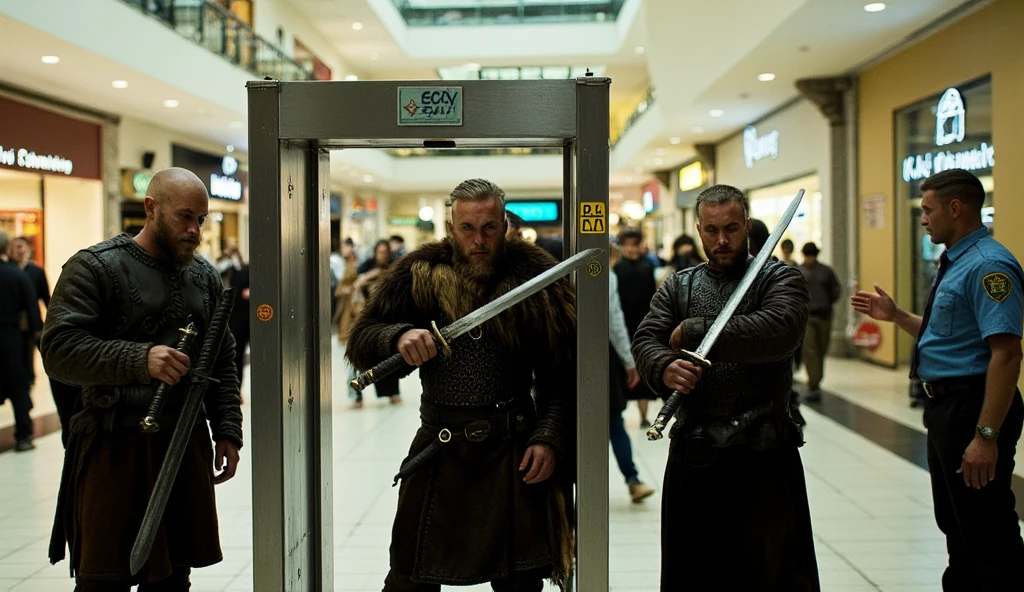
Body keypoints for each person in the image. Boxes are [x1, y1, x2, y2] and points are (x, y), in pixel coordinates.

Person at [347, 178, 576, 591]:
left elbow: (562, 373)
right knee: (408, 576)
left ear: (504, 224)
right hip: (442, 441)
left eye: (489, 227)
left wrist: (549, 437)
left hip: (513, 446)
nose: (479, 240)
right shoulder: (419, 272)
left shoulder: (535, 276)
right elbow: (362, 339)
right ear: (452, 227)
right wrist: (397, 336)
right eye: (468, 228)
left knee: (520, 582)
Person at [40, 167, 243, 591]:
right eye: (184, 217)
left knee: (173, 576)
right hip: (114, 444)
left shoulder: (202, 276)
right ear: (151, 208)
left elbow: (221, 359)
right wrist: (139, 358)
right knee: (104, 577)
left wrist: (227, 428)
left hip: (182, 439)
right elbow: (59, 350)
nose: (194, 230)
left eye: (201, 220)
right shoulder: (94, 268)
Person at [632, 184, 819, 591]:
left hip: (764, 450)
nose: (722, 240)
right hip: (695, 448)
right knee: (693, 573)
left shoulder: (779, 277)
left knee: (770, 574)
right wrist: (664, 367)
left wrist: (696, 330)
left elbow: (779, 330)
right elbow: (647, 338)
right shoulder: (678, 286)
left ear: (746, 226)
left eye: (732, 228)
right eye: (712, 230)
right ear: (698, 228)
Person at [851, 168, 1024, 589]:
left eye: (927, 210)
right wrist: (895, 317)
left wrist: (986, 436)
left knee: (988, 531)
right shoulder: (957, 262)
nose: (923, 219)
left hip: (974, 405)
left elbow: (1006, 353)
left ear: (955, 208)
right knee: (957, 523)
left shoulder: (988, 267)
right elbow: (948, 338)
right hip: (948, 408)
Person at [608, 243, 656, 503]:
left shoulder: (567, 272)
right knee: (615, 421)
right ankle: (633, 480)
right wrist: (629, 360)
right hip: (604, 357)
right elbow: (614, 320)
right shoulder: (608, 275)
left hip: (570, 357)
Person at [0, 231, 42, 451]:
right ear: (7, 249)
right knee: (18, 386)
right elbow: (32, 306)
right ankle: (24, 435)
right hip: (11, 337)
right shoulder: (16, 275)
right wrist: (36, 329)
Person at [613, 228, 659, 427]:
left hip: (644, 326)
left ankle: (643, 415)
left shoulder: (648, 266)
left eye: (635, 244)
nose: (632, 249)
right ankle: (619, 410)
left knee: (643, 373)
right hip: (622, 326)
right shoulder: (616, 269)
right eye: (628, 245)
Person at [350, 239, 402, 407]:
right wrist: (371, 275)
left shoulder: (395, 266)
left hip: (388, 318)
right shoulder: (367, 265)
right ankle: (356, 396)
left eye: (385, 253)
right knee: (358, 357)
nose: (382, 255)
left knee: (389, 356)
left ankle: (393, 392)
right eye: (380, 252)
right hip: (365, 316)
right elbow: (356, 283)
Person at [799, 242, 841, 402]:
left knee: (822, 348)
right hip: (808, 316)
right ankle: (813, 382)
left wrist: (827, 303)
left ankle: (816, 378)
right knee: (810, 350)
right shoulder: (799, 272)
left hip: (824, 315)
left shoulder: (826, 271)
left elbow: (835, 290)